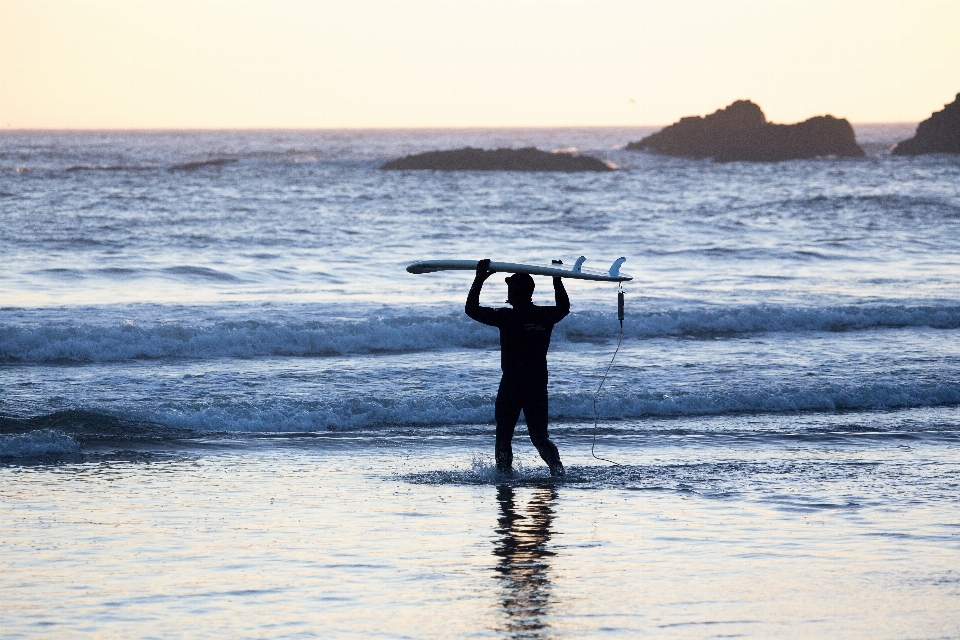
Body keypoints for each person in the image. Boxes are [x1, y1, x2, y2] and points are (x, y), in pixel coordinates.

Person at [465, 258, 570, 476]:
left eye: (510, 286)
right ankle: (557, 469)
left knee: (504, 435)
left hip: (512, 383)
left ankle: (504, 478)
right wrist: (556, 279)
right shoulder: (544, 315)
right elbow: (564, 307)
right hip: (537, 382)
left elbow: (471, 309)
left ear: (516, 292)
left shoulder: (507, 317)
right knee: (540, 437)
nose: (508, 291)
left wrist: (479, 280)